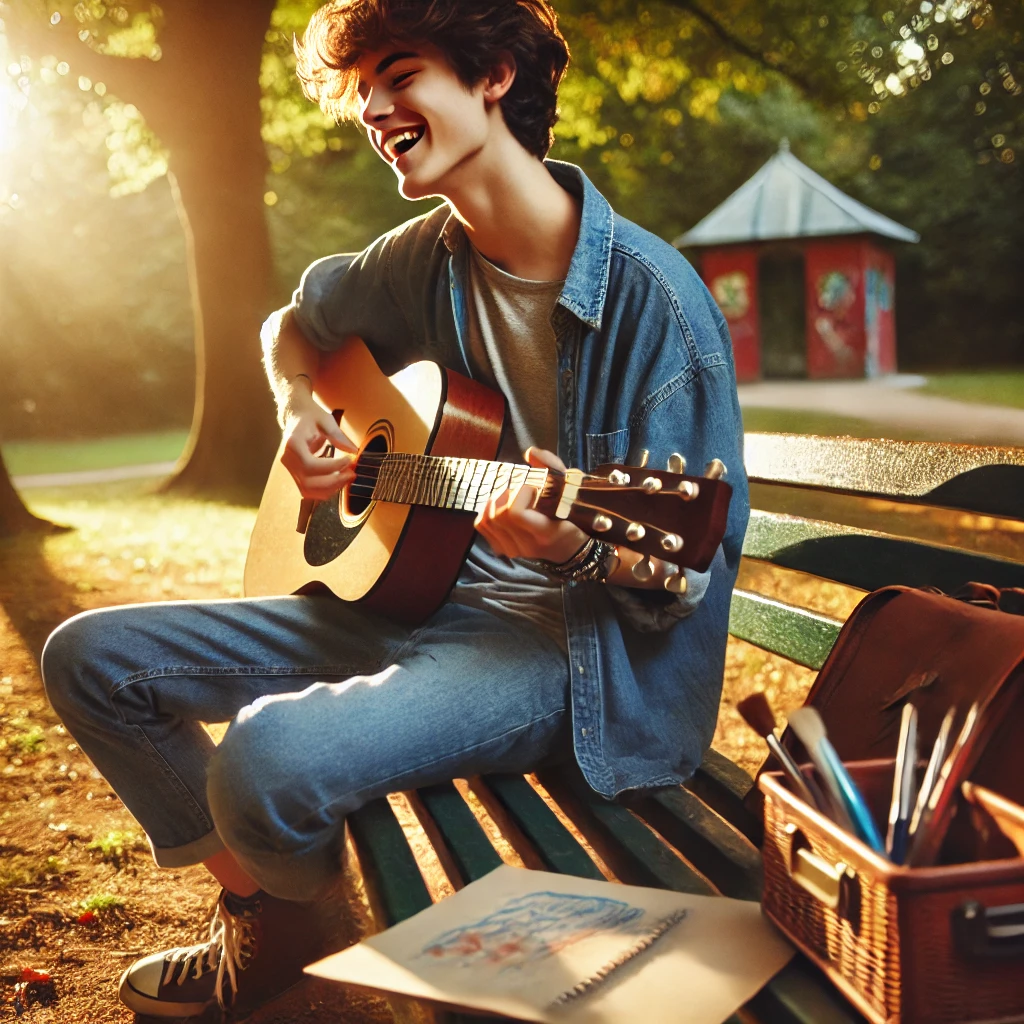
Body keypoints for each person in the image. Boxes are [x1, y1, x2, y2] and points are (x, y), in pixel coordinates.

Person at [40, 0, 749, 1017]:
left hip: (563, 653)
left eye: (399, 74)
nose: (371, 107)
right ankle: (268, 916)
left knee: (267, 758)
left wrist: (576, 545)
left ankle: (291, 939)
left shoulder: (656, 305)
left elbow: (685, 565)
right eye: (360, 89)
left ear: (494, 76)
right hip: (409, 598)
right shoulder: (424, 258)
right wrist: (301, 416)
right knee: (89, 661)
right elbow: (296, 326)